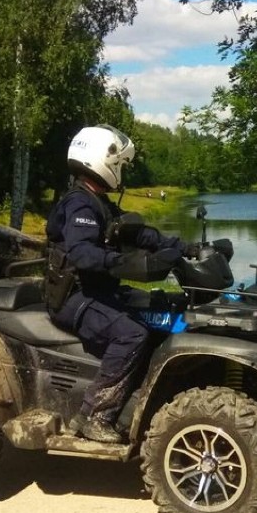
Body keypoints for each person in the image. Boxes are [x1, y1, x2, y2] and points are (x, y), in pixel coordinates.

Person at [44, 125, 196, 443]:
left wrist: (183, 247)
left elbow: (137, 233)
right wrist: (125, 264)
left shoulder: (99, 202)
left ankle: (139, 397)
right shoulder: (79, 203)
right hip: (74, 297)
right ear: (105, 159)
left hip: (98, 291)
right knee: (132, 334)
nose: (122, 170)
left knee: (158, 312)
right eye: (122, 164)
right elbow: (83, 254)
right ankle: (94, 416)